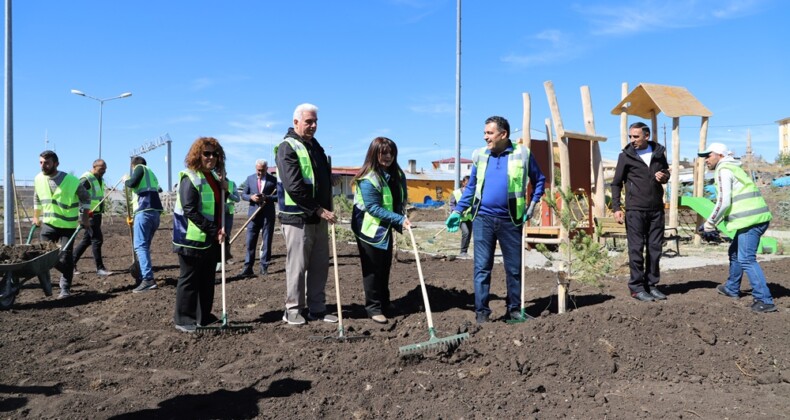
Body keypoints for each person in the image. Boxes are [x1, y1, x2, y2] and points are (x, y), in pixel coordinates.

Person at [446, 116, 545, 324]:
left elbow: (539, 180)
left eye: (489, 133)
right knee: (481, 267)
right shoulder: (480, 155)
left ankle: (514, 310)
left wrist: (532, 206)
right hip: (483, 219)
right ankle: (482, 312)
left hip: (511, 220)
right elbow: (472, 186)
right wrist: (458, 211)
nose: (485, 137)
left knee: (514, 268)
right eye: (485, 133)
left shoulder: (522, 154)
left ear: (503, 134)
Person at [275, 103, 338, 325]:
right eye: (308, 121)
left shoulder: (315, 147)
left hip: (319, 217)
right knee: (298, 266)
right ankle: (292, 309)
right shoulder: (287, 147)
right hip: (297, 218)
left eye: (315, 122)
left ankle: (317, 309)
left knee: (320, 265)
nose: (313, 125)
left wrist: (329, 181)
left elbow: (316, 177)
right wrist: (319, 210)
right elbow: (294, 185)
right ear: (296, 122)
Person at [698, 142, 777, 313]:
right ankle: (732, 288)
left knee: (746, 259)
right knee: (734, 252)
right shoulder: (734, 168)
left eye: (708, 155)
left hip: (750, 221)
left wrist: (710, 224)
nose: (705, 160)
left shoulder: (724, 169)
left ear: (719, 155)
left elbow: (724, 201)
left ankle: (765, 300)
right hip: (753, 219)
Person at [351, 137, 409, 324]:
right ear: (374, 154)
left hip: (384, 229)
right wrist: (400, 219)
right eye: (383, 153)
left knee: (385, 267)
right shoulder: (368, 178)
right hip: (369, 230)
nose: (388, 156)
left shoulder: (395, 174)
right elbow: (373, 208)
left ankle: (385, 302)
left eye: (391, 153)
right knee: (372, 270)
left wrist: (401, 217)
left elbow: (398, 199)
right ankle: (373, 308)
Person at [172, 137, 228, 332]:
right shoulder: (190, 177)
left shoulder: (213, 178)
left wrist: (225, 191)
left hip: (210, 239)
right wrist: (214, 231)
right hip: (191, 238)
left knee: (207, 279)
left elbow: (217, 205)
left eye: (215, 154)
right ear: (198, 155)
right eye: (206, 153)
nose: (211, 157)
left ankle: (203, 315)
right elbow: (190, 209)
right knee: (189, 279)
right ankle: (183, 319)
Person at [610, 122, 670, 302]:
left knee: (655, 249)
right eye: (630, 136)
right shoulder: (625, 156)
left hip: (656, 210)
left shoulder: (659, 154)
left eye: (636, 136)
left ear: (646, 136)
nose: (632, 140)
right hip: (635, 210)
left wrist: (664, 176)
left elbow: (665, 172)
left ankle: (651, 285)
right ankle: (636, 287)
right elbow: (615, 183)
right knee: (636, 249)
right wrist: (616, 208)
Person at [32, 150, 91, 298]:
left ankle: (65, 287)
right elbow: (37, 198)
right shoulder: (38, 179)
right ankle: (49, 284)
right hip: (48, 224)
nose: (43, 166)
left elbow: (86, 198)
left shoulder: (71, 180)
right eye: (41, 162)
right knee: (43, 256)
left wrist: (84, 218)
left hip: (67, 225)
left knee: (66, 257)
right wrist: (36, 217)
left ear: (56, 164)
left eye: (46, 163)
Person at [124, 156, 164, 293]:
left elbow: (132, 183)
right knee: (144, 246)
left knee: (140, 246)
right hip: (154, 213)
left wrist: (126, 181)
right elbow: (159, 189)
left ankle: (147, 279)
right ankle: (143, 275)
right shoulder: (152, 174)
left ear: (133, 165)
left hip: (144, 211)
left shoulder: (140, 168)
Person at [73, 159, 113, 276]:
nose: (104, 171)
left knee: (87, 240)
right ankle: (100, 268)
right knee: (97, 239)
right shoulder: (86, 179)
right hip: (89, 214)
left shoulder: (99, 178)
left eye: (105, 169)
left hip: (96, 214)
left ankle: (70, 263)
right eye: (101, 169)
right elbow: (77, 194)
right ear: (94, 166)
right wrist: (84, 211)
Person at [239, 159, 278, 277]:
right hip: (253, 215)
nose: (259, 173)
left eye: (262, 170)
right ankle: (248, 267)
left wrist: (266, 198)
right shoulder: (250, 178)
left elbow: (278, 196)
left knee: (266, 241)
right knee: (250, 241)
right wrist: (251, 197)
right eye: (257, 170)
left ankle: (264, 266)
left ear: (266, 169)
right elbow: (243, 194)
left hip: (267, 215)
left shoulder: (273, 180)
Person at [216, 176, 240, 271]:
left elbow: (237, 199)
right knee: (217, 234)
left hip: (228, 213)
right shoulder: (213, 182)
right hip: (216, 213)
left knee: (227, 235)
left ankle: (227, 257)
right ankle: (218, 258)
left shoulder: (231, 184)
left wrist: (227, 193)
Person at [449, 175, 473, 259]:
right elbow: (452, 204)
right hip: (459, 218)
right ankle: (462, 252)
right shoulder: (456, 193)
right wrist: (456, 212)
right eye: (467, 183)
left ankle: (465, 251)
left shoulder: (472, 193)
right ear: (463, 183)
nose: (469, 185)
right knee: (465, 232)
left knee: (469, 234)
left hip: (469, 217)